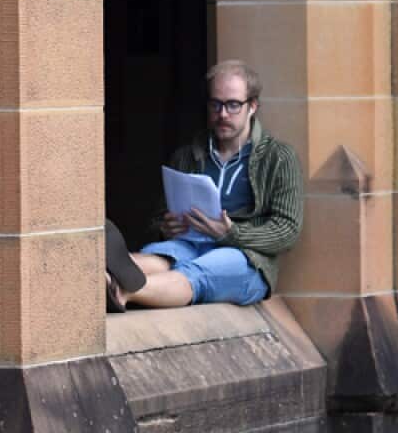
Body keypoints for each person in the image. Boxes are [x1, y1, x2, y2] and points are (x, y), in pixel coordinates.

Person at [105, 60, 303, 311]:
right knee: (160, 255)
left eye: (233, 105)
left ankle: (122, 291)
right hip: (188, 244)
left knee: (198, 272)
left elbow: (287, 230)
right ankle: (101, 275)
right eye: (215, 104)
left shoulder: (279, 157)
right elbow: (157, 218)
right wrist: (166, 226)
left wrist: (231, 234)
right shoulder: (187, 155)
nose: (222, 114)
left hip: (245, 258)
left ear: (252, 106)